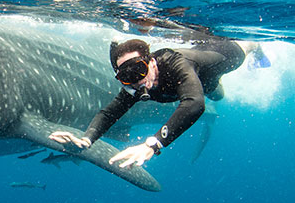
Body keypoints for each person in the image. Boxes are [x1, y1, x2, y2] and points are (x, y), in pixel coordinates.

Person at [49, 38, 269, 168]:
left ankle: (254, 46)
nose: (137, 80)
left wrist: (153, 144)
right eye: (127, 76)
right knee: (214, 92)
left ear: (152, 62)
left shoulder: (175, 64)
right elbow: (108, 114)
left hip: (222, 58)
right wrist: (86, 140)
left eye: (139, 70)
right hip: (199, 83)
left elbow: (194, 104)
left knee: (238, 54)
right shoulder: (134, 86)